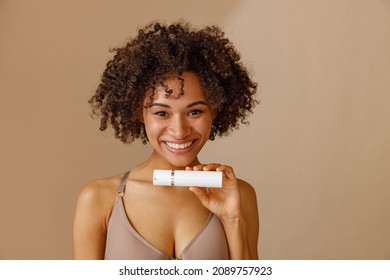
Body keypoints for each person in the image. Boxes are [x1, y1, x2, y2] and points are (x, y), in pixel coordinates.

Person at [73, 21, 259, 260]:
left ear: (215, 110)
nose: (179, 131)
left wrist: (233, 220)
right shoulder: (99, 198)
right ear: (139, 114)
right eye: (162, 113)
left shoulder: (239, 195)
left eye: (195, 112)